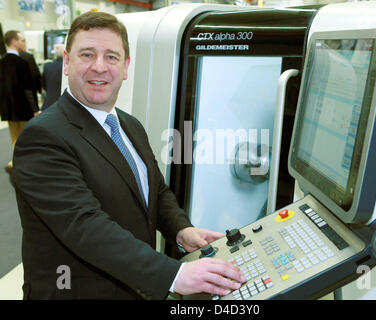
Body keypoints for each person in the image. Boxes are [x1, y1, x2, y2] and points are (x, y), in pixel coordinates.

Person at [12, 11, 245, 300]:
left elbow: (155, 190)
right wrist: (172, 275)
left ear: (125, 67)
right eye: (87, 55)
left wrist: (181, 230)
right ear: (67, 64)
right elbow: (84, 225)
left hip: (130, 286)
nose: (99, 67)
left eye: (111, 57)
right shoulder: (43, 137)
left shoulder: (128, 124)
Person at [0, 30, 39, 174]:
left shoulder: (1, 62)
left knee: (14, 137)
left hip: (7, 109)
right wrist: (35, 108)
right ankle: (29, 163)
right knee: (27, 136)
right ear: (15, 42)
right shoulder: (22, 63)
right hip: (23, 108)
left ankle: (16, 160)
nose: (24, 43)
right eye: (22, 40)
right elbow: (28, 89)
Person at [41, 44, 64, 111]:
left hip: (48, 105)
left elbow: (44, 86)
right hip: (63, 107)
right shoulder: (69, 68)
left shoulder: (47, 67)